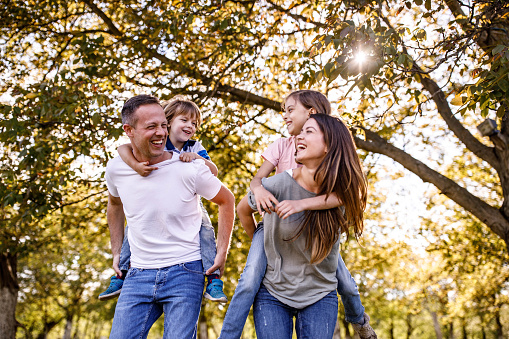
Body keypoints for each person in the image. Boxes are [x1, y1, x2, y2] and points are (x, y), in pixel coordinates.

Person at [219, 90, 376, 338]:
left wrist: (302, 204)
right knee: (249, 280)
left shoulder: (338, 185)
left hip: (314, 270)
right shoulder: (282, 150)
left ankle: (359, 320)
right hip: (272, 227)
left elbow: (349, 196)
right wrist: (260, 236)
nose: (286, 116)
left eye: (290, 109)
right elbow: (256, 183)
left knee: (346, 282)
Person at [105, 95, 235, 338]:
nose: (161, 132)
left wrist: (221, 252)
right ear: (129, 130)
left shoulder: (189, 165)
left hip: (185, 272)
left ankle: (213, 281)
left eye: (163, 125)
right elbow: (114, 205)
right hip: (138, 274)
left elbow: (226, 199)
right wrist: (116, 252)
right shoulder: (117, 168)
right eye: (152, 126)